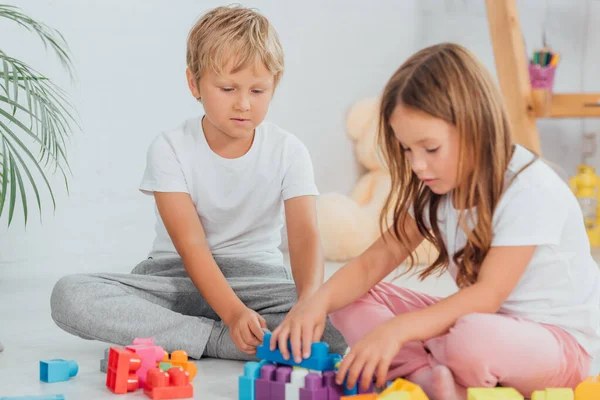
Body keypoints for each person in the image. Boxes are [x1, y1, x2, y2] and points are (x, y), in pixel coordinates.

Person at [270, 42, 599, 399]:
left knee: (471, 338)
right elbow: (371, 264)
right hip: (477, 324)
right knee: (347, 297)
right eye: (407, 149)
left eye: (430, 148)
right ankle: (427, 377)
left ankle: (433, 362)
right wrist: (314, 303)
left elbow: (487, 295)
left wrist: (395, 331)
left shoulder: (528, 187)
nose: (417, 165)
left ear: (476, 126)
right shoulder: (437, 185)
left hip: (558, 345)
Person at [50, 4, 346, 361]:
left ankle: (187, 337)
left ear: (274, 85)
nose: (243, 104)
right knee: (70, 295)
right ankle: (221, 340)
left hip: (259, 283)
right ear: (195, 83)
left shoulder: (289, 150)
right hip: (175, 281)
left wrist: (309, 307)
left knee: (346, 314)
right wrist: (232, 316)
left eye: (257, 91)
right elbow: (190, 244)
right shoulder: (170, 147)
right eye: (227, 88)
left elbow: (305, 237)